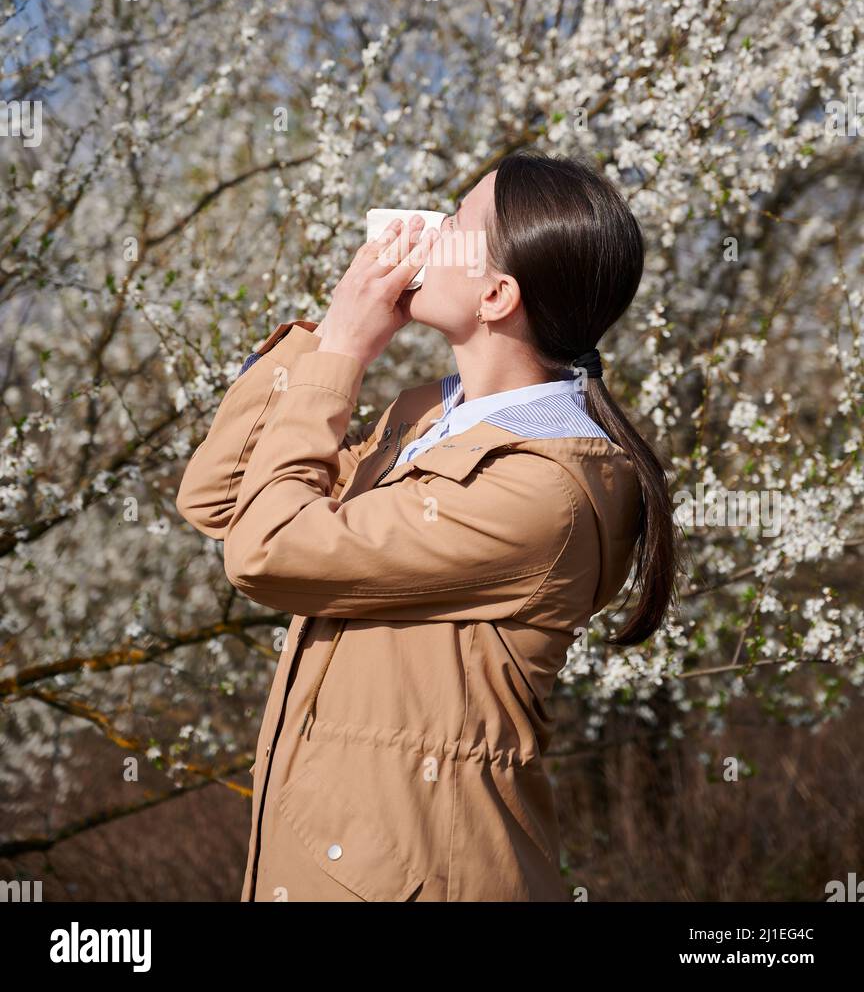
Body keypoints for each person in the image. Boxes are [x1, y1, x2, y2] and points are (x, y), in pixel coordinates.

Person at [176, 147, 680, 902]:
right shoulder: (427, 416)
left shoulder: (544, 489)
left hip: (420, 879)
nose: (424, 231)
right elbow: (220, 500)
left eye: (454, 223)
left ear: (496, 295)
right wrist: (322, 344)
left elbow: (269, 551)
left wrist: (345, 351)